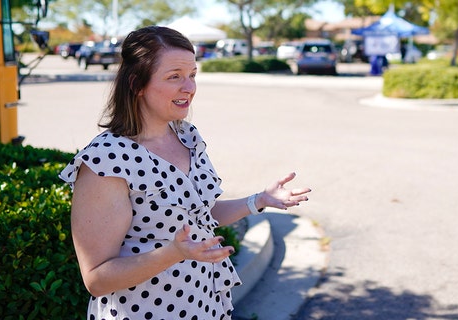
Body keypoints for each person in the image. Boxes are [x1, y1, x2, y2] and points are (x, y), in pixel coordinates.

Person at [59, 25, 311, 319]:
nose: (189, 87)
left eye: (192, 75)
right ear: (136, 83)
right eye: (174, 77)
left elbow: (197, 215)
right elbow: (96, 279)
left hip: (206, 305)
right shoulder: (106, 161)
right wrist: (175, 253)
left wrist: (259, 200)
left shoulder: (186, 136)